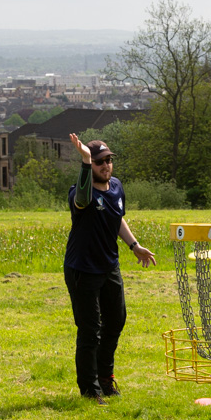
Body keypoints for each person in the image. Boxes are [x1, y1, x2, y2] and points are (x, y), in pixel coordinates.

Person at [64, 134, 156, 402]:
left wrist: (134, 245)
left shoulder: (116, 187)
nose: (106, 166)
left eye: (109, 160)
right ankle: (89, 389)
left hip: (109, 267)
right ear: (91, 165)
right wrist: (84, 160)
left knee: (116, 321)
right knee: (90, 329)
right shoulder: (80, 191)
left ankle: (106, 377)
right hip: (82, 269)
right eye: (100, 162)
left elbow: (118, 219)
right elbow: (81, 200)